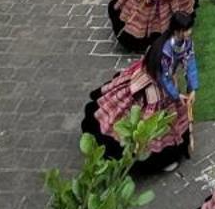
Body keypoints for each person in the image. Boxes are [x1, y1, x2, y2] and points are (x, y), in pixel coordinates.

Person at [81, 11, 197, 175]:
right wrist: (177, 95)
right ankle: (151, 159)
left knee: (170, 117)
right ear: (177, 30)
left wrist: (193, 88)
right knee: (151, 121)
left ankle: (167, 154)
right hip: (154, 85)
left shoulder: (185, 42)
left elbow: (190, 61)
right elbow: (163, 78)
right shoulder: (164, 50)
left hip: (167, 82)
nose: (190, 33)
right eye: (187, 30)